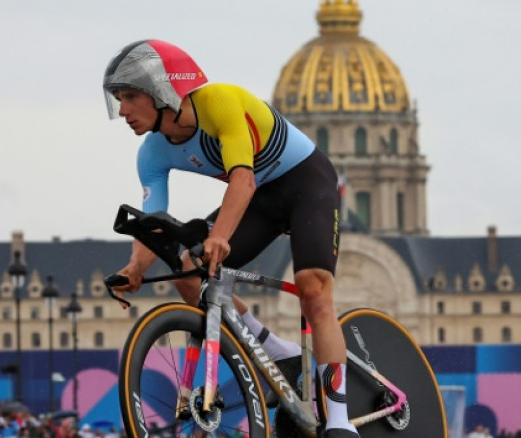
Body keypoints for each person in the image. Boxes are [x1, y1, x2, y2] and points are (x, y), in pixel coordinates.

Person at [104, 39, 357, 437]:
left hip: (304, 183)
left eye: (131, 96)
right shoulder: (151, 154)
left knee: (312, 289)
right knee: (185, 266)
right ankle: (276, 353)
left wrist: (220, 236)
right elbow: (154, 221)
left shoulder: (218, 102)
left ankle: (341, 422)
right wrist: (134, 268)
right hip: (260, 200)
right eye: (118, 99)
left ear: (162, 91)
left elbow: (244, 177)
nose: (122, 111)